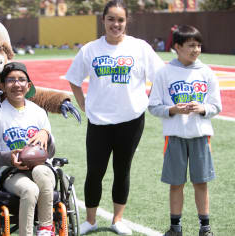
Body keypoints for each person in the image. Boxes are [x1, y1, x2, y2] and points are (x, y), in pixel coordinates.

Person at [65, 0, 165, 235]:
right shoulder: (90, 49)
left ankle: (117, 220)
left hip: (131, 121)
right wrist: (83, 103)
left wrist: (149, 101)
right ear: (103, 20)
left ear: (126, 21)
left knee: (122, 170)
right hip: (99, 121)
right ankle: (90, 221)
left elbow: (160, 76)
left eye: (120, 20)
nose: (116, 24)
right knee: (95, 172)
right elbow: (74, 78)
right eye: (111, 19)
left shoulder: (140, 48)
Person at [148, 25, 222, 236]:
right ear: (177, 47)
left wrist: (203, 108)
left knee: (201, 182)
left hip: (200, 136)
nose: (196, 49)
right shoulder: (164, 73)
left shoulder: (207, 73)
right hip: (174, 137)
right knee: (176, 183)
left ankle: (205, 228)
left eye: (198, 45)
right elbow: (153, 106)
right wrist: (171, 109)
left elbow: (216, 105)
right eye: (191, 45)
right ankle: (175, 227)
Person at [0, 62, 56, 236]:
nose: (17, 84)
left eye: (22, 80)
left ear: (28, 85)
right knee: (30, 190)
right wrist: (9, 157)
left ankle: (45, 229)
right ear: (2, 86)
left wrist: (46, 135)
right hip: (11, 173)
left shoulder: (38, 112)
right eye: (11, 80)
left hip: (41, 169)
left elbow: (50, 152)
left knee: (41, 173)